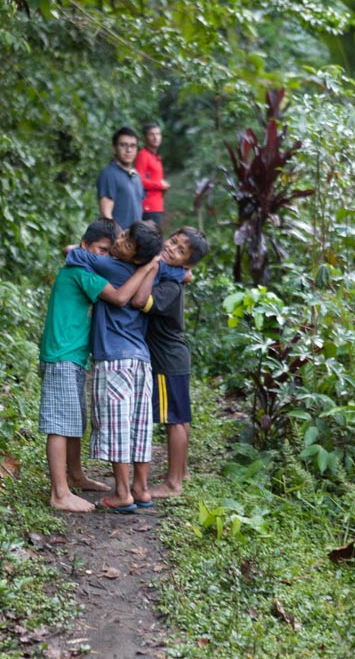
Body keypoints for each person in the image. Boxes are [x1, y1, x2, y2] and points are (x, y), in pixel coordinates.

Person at [39, 219, 160, 513]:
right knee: (60, 422)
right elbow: (119, 298)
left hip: (74, 355)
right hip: (62, 354)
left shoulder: (86, 269)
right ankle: (59, 493)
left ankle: (76, 475)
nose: (105, 257)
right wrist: (146, 268)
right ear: (86, 247)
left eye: (109, 251)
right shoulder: (81, 271)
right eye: (101, 251)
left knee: (74, 420)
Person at [65, 221, 186, 513]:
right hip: (142, 359)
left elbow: (71, 252)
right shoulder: (152, 272)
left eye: (127, 243)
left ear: (136, 256)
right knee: (139, 425)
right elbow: (183, 273)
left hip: (114, 358)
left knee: (117, 425)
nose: (119, 241)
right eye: (122, 236)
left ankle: (122, 492)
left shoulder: (108, 266)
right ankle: (141, 488)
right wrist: (150, 268)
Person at [132, 226, 209, 498]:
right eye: (173, 241)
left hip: (166, 358)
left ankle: (173, 483)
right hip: (175, 356)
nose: (171, 248)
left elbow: (141, 301)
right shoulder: (173, 275)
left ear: (186, 263)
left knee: (174, 420)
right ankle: (182, 471)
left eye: (179, 250)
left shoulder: (169, 286)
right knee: (180, 418)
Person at [97, 126, 144, 228]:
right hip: (118, 240)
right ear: (114, 148)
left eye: (133, 146)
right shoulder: (109, 174)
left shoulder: (136, 175)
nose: (128, 150)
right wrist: (120, 239)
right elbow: (106, 215)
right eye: (123, 145)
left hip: (134, 239)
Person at [135, 122, 170, 226]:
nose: (156, 137)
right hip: (148, 207)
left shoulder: (156, 157)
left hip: (157, 205)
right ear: (145, 137)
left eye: (158, 134)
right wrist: (160, 185)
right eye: (152, 134)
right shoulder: (143, 155)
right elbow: (139, 180)